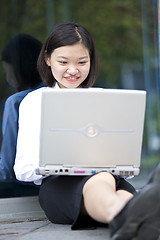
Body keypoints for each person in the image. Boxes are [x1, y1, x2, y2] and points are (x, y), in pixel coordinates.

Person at [14, 22, 160, 239]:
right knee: (106, 185)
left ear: (91, 60)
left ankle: (131, 220)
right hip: (58, 186)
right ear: (47, 59)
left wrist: (122, 164)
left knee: (117, 188)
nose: (73, 70)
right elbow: (22, 169)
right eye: (63, 62)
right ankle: (126, 215)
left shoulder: (106, 99)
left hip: (111, 179)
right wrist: (59, 165)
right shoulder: (35, 101)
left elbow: (121, 154)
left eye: (82, 62)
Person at [0, 34, 43, 194]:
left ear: (17, 68)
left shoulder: (17, 102)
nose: (7, 78)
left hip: (27, 189)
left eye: (6, 70)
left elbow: (7, 169)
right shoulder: (60, 95)